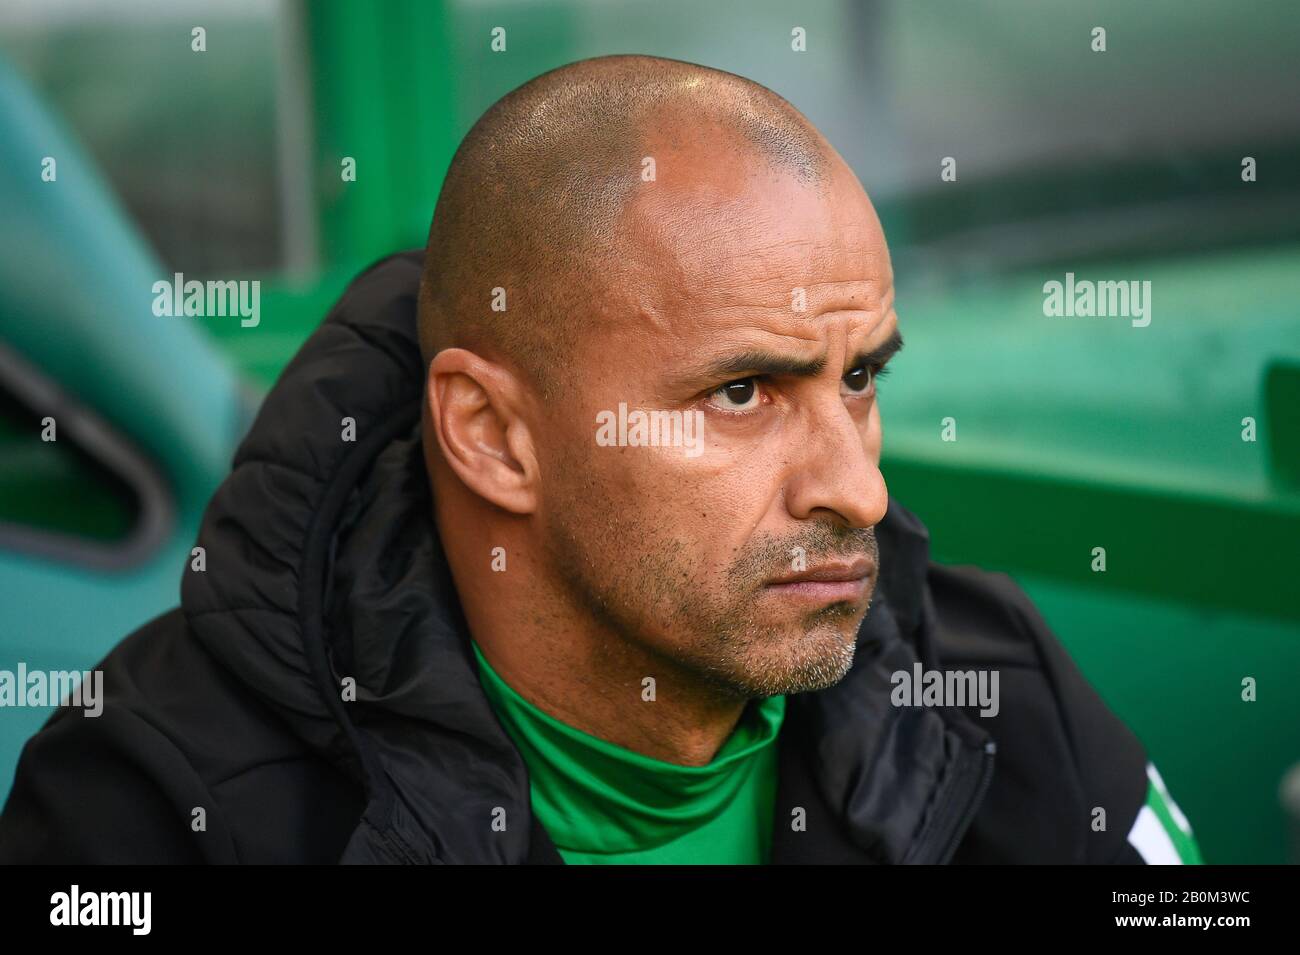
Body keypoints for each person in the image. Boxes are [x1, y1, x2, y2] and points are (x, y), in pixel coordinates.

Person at [0, 55, 1201, 865]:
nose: (858, 490)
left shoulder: (990, 693)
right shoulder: (158, 798)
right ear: (493, 435)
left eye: (858, 379)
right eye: (742, 393)